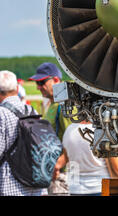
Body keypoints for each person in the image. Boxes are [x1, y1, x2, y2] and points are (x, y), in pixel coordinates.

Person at [0, 70, 47, 196]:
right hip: (36, 183)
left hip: (10, 185)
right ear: (16, 88)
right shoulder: (33, 111)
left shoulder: (2, 114)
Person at [28, 62, 72, 195]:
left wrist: (58, 165)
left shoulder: (64, 105)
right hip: (52, 172)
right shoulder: (53, 104)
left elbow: (73, 139)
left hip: (62, 174)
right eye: (37, 83)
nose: (38, 87)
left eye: (42, 82)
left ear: (56, 80)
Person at [53, 120, 118, 196]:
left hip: (75, 189)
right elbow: (117, 167)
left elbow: (68, 160)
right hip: (100, 187)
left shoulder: (69, 130)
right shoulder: (102, 131)